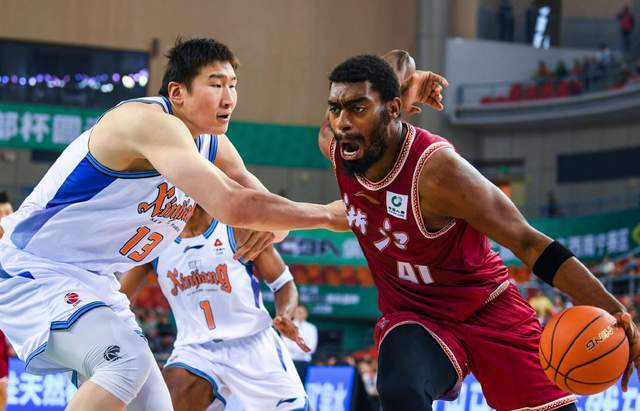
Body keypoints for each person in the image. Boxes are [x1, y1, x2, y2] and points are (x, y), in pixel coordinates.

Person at [0, 37, 346, 411]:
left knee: (155, 406)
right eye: (216, 84)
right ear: (177, 92)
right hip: (37, 268)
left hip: (95, 281)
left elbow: (277, 227)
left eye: (233, 85)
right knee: (124, 364)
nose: (229, 98)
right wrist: (328, 214)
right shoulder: (144, 121)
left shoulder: (213, 145)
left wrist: (264, 219)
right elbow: (234, 205)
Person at [318, 53, 640, 411]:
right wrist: (395, 86)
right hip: (415, 314)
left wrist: (617, 313)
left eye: (358, 109)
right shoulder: (340, 148)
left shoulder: (440, 173)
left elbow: (529, 243)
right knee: (400, 387)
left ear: (393, 109)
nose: (342, 122)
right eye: (335, 109)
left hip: (487, 307)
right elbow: (365, 94)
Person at [120, 205, 308, 411]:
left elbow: (283, 282)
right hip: (195, 349)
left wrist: (284, 315)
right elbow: (120, 299)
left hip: (252, 341)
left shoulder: (236, 229)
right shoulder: (156, 242)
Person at [282, 304, 318, 384]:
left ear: (306, 314)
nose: (300, 314)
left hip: (304, 361)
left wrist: (297, 347)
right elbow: (286, 345)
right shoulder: (287, 326)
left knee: (301, 385)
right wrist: (302, 347)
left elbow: (312, 348)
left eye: (302, 312)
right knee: (288, 384)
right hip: (290, 361)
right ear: (293, 313)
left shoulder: (312, 328)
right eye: (298, 312)